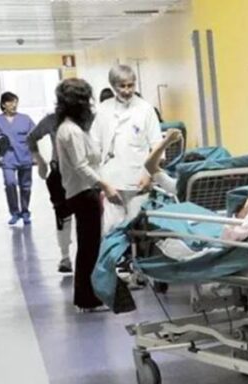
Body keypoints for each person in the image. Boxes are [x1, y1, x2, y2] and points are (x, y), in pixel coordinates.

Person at [55, 78, 123, 312]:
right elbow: (81, 166)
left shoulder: (73, 128)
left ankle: (89, 294)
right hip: (83, 193)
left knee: (90, 245)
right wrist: (105, 186)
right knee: (89, 246)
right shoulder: (71, 131)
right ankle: (86, 297)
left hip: (84, 192)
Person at [91, 65, 163, 234]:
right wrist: (102, 183)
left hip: (138, 180)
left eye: (131, 85)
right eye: (122, 86)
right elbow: (94, 147)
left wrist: (149, 175)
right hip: (111, 181)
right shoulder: (103, 110)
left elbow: (157, 146)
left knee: (137, 231)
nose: (127, 90)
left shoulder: (146, 109)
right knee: (111, 230)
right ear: (113, 86)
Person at [28, 113, 74, 272]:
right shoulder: (52, 119)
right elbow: (31, 137)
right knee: (63, 216)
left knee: (87, 217)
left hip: (84, 173)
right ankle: (65, 256)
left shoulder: (87, 118)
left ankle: (90, 258)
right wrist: (40, 161)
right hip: (59, 173)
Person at [0, 92, 36, 225]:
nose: (14, 105)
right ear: (3, 104)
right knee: (10, 183)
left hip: (25, 156)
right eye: (10, 102)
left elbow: (35, 134)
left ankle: (25, 212)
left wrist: (36, 155)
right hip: (8, 157)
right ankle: (14, 212)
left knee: (25, 187)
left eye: (15, 102)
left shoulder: (25, 119)